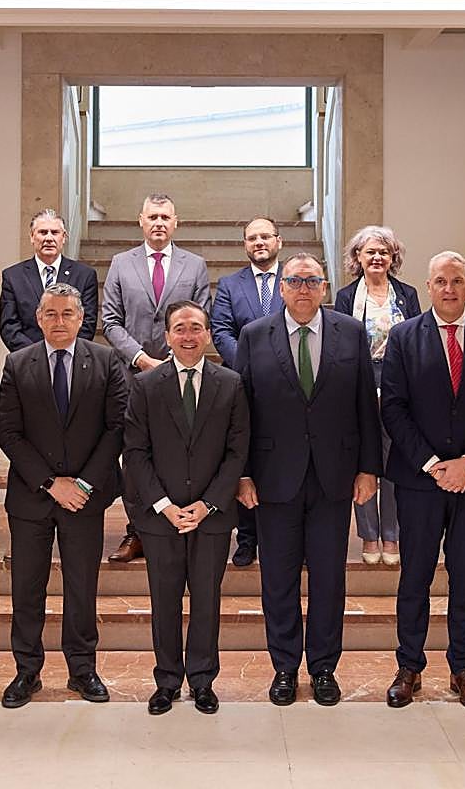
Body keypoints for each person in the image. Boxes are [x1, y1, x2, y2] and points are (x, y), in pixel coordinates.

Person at [235, 252, 381, 707]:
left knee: (329, 578)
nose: (303, 289)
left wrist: (369, 467)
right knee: (278, 579)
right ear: (281, 288)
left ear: (324, 288)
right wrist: (242, 473)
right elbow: (241, 411)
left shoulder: (350, 332)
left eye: (312, 281)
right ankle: (284, 667)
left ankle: (322, 668)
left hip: (334, 477)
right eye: (295, 281)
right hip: (273, 478)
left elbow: (366, 404)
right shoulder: (254, 335)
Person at [380, 251, 465, 712]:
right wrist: (435, 463)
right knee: (415, 576)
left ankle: (463, 668)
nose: (449, 289)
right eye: (441, 281)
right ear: (429, 286)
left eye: (457, 280)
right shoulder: (404, 337)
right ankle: (409, 667)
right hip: (420, 480)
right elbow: (393, 407)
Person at [0, 283, 127, 709]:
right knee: (26, 588)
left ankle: (82, 669)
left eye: (67, 313)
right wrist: (52, 483)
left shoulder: (106, 361)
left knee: (81, 587)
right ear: (38, 318)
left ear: (81, 318)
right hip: (32, 497)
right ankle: (26, 671)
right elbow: (9, 433)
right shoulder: (18, 364)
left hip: (85, 499)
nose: (58, 321)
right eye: (50, 314)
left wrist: (83, 484)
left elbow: (117, 428)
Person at [124, 301, 250, 715]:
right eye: (180, 328)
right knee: (164, 602)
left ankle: (202, 680)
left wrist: (208, 504)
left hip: (211, 517)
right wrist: (163, 505)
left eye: (196, 327)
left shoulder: (230, 383)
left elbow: (237, 451)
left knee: (206, 601)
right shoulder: (145, 385)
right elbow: (135, 452)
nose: (188, 335)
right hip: (160, 518)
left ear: (209, 334)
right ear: (167, 336)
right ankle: (167, 681)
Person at [101, 193, 210, 563]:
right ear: (141, 221)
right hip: (133, 377)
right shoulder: (121, 263)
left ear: (175, 222)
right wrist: (142, 358)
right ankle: (136, 531)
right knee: (135, 456)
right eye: (153, 217)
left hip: (182, 375)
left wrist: (175, 359)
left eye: (165, 217)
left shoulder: (195, 266)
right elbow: (110, 321)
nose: (159, 223)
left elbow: (199, 319)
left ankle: (176, 524)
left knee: (176, 452)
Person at [334, 225, 421, 566]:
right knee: (365, 459)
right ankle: (369, 535)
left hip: (400, 382)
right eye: (370, 251)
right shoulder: (345, 296)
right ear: (358, 256)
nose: (377, 257)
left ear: (392, 257)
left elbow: (417, 340)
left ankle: (392, 535)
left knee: (395, 459)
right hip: (359, 381)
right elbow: (340, 344)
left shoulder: (408, 294)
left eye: (384, 252)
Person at [210, 217, 283, 567]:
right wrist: (251, 361)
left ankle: (278, 536)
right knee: (245, 457)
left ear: (279, 241)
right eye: (252, 238)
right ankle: (247, 537)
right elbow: (221, 329)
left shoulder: (293, 279)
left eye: (265, 236)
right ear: (244, 245)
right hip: (243, 383)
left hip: (288, 388)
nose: (259, 242)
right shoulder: (230, 284)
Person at [0, 209, 98, 351]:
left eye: (55, 232)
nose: (49, 238)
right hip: (28, 359)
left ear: (64, 237)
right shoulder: (13, 276)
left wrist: (63, 352)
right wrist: (38, 356)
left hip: (70, 358)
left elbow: (87, 324)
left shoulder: (84, 275)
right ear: (32, 237)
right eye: (43, 232)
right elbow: (9, 327)